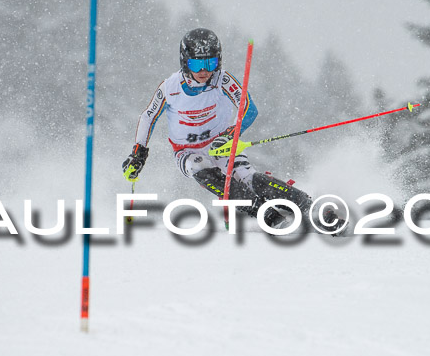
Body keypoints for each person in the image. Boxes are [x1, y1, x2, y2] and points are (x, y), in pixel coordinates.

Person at [122, 28, 343, 232]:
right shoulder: (170, 87)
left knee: (249, 179)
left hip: (223, 145)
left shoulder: (223, 80)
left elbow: (249, 109)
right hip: (187, 151)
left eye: (210, 64)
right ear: (184, 62)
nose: (204, 72)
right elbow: (148, 116)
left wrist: (230, 135)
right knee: (200, 168)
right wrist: (138, 152)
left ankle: (311, 208)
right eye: (197, 65)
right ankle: (263, 213)